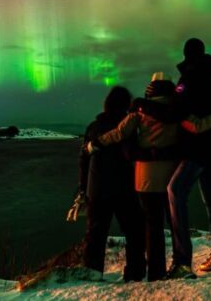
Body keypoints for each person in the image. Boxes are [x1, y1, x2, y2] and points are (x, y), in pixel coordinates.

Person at [88, 73, 182, 282]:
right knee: (174, 223)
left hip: (143, 180)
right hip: (172, 177)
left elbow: (119, 134)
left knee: (152, 226)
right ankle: (177, 265)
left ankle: (154, 273)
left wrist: (96, 143)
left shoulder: (139, 112)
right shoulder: (178, 110)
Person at [166, 38, 211, 278]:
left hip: (196, 147)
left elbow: (177, 107)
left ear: (187, 55)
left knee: (175, 190)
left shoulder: (191, 76)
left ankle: (182, 262)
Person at [66, 86, 146, 282]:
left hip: (97, 188)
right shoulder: (127, 127)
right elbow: (133, 154)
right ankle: (135, 273)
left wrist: (83, 188)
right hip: (124, 188)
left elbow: (83, 160)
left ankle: (93, 273)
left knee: (95, 234)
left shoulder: (94, 127)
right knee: (134, 231)